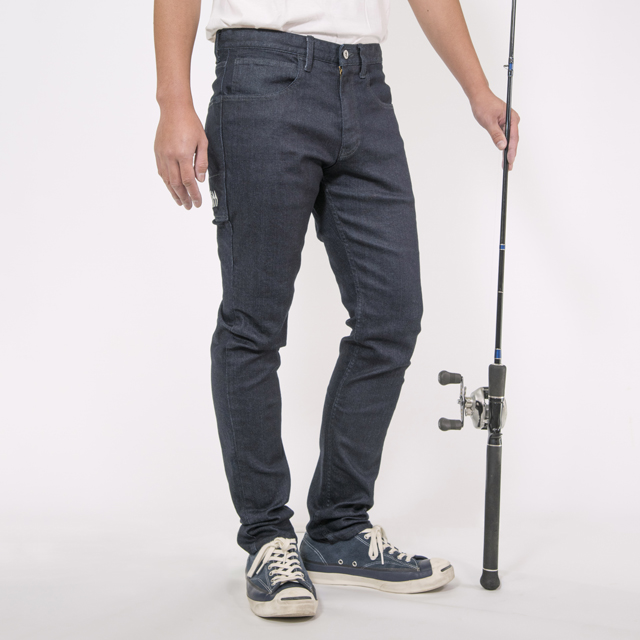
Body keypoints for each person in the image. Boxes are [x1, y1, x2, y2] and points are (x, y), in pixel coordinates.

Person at [153, 0, 520, 619]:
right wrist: (174, 103)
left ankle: (339, 531)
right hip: (261, 75)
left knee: (391, 316)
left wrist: (478, 91)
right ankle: (268, 537)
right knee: (253, 323)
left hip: (366, 86)